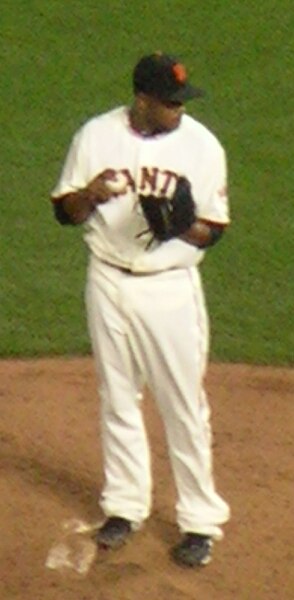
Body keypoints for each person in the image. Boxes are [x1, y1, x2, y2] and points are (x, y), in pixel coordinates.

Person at [50, 52, 230, 567]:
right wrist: (89, 193)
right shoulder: (95, 136)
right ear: (143, 100)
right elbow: (66, 211)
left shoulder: (201, 146)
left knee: (183, 406)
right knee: (117, 396)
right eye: (169, 103)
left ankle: (199, 521)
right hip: (106, 280)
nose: (178, 110)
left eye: (180, 102)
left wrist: (180, 226)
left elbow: (213, 231)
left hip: (169, 290)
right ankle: (125, 506)